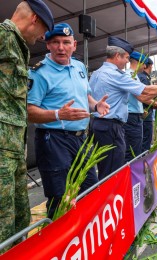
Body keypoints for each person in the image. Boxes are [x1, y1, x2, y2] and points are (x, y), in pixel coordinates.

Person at [27, 23, 110, 219]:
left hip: (81, 140)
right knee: (59, 195)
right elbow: (29, 112)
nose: (61, 47)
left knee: (90, 186)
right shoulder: (39, 72)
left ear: (75, 44)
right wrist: (58, 114)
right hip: (53, 140)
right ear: (47, 45)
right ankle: (59, 243)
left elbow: (86, 96)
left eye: (65, 42)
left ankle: (84, 235)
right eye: (55, 42)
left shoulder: (80, 66)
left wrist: (96, 105)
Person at [90, 36, 157, 180]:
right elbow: (145, 91)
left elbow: (142, 96)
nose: (127, 61)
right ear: (117, 56)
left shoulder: (97, 72)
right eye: (126, 57)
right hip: (111, 126)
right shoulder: (117, 75)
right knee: (112, 171)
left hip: (100, 124)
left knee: (106, 167)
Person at [0, 0, 53, 247]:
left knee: (18, 221)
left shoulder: (20, 47)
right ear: (34, 19)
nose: (43, 36)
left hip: (13, 151)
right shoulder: (3, 37)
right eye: (44, 29)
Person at [123, 51, 147, 161]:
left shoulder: (134, 76)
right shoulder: (130, 76)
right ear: (138, 62)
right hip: (131, 117)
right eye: (144, 63)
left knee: (135, 148)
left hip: (134, 116)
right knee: (132, 151)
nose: (145, 66)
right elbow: (141, 96)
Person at [139, 57, 157, 152]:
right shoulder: (144, 78)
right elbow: (144, 96)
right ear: (150, 66)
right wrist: (155, 103)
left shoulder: (141, 77)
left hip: (144, 113)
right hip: (146, 113)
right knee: (146, 140)